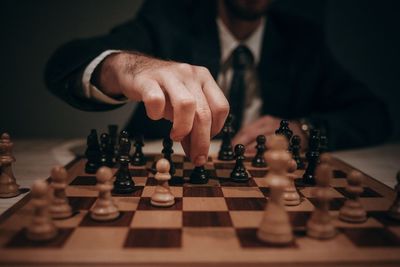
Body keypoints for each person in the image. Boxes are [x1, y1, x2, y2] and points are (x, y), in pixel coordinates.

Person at [45, 0, 390, 166]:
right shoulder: (168, 20)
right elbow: (64, 64)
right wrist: (125, 66)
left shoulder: (302, 41)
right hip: (159, 172)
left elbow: (374, 115)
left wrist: (302, 130)